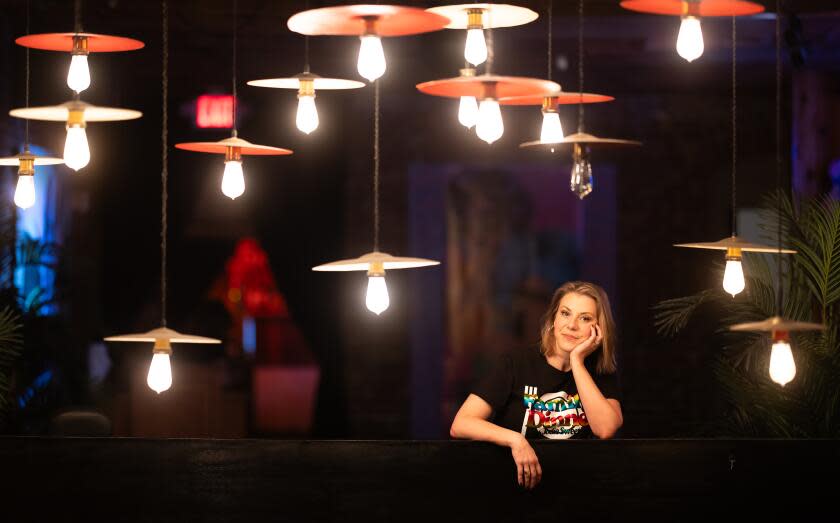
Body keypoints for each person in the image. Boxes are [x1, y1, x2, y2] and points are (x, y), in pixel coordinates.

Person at [449, 281, 623, 489]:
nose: (572, 325)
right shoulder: (515, 363)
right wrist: (516, 440)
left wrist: (577, 362)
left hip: (576, 492)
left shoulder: (599, 373)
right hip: (513, 490)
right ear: (553, 319)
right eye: (565, 314)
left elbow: (606, 429)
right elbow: (461, 423)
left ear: (598, 329)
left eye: (584, 318)